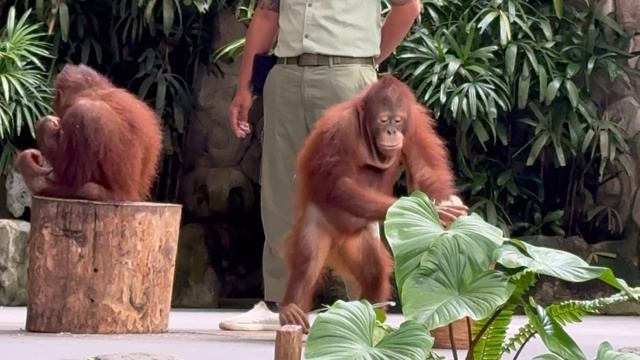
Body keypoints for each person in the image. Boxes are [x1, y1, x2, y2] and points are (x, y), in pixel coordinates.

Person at [220, 0, 462, 331]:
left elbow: (408, 7)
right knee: (280, 191)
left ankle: (368, 309)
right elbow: (266, 13)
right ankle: (281, 305)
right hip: (286, 75)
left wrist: (366, 62)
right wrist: (244, 86)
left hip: (347, 75)